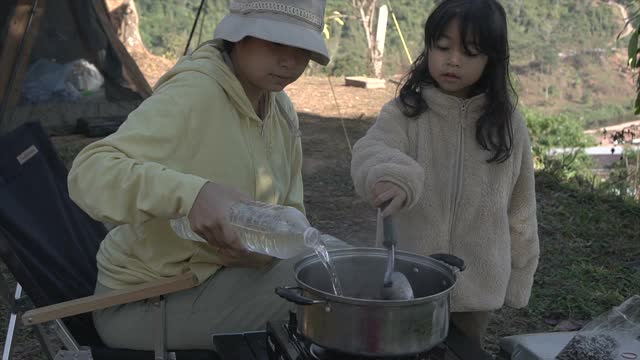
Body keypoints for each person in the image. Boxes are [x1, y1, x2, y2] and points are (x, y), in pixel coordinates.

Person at [67, 0, 332, 351]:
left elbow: (291, 211)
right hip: (146, 300)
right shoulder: (196, 93)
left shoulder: (280, 108)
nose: (290, 61)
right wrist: (193, 196)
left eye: (302, 50)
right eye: (275, 43)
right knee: (328, 301)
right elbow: (90, 172)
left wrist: (261, 254)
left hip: (223, 276)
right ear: (239, 36)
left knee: (344, 264)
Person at [351, 0, 540, 346]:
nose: (453, 60)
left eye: (470, 52)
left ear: (492, 60)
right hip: (407, 282)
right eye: (442, 47)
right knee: (400, 349)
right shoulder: (405, 111)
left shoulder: (508, 124)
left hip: (478, 287)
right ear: (428, 48)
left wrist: (519, 278)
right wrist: (394, 175)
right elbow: (371, 149)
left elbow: (522, 207)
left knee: (464, 350)